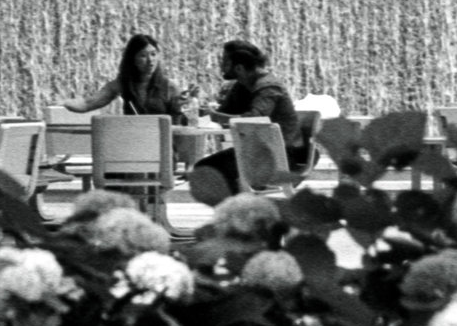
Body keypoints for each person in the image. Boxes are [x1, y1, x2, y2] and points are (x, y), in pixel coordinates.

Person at [185, 40, 310, 204]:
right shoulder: (243, 86)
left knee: (208, 169)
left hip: (283, 156)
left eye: (225, 61)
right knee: (204, 168)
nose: (221, 66)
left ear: (239, 67)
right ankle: (241, 212)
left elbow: (255, 119)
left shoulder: (269, 87)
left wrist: (216, 116)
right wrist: (194, 105)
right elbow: (224, 112)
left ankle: (241, 213)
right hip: (260, 150)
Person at [58, 34, 194, 121]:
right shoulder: (123, 84)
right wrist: (63, 103)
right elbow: (88, 103)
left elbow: (183, 121)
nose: (150, 60)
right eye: (143, 55)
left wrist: (183, 105)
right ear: (133, 59)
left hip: (163, 147)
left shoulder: (170, 86)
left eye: (153, 54)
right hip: (133, 145)